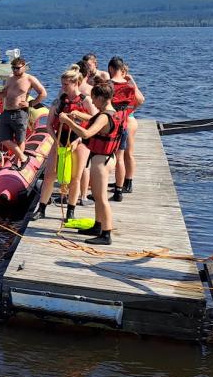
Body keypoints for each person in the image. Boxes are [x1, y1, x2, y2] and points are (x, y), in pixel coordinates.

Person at [59, 82, 129, 246]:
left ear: (100, 98)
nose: (93, 102)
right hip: (107, 157)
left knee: (101, 197)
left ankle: (106, 233)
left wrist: (67, 121)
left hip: (101, 161)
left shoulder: (104, 116)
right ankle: (98, 226)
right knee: (98, 196)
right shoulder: (112, 113)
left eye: (94, 99)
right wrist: (77, 114)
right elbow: (93, 119)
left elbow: (86, 133)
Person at [33, 64, 97, 221]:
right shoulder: (58, 102)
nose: (63, 88)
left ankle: (70, 211)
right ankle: (41, 209)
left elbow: (96, 120)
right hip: (60, 140)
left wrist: (79, 124)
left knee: (75, 177)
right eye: (62, 84)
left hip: (79, 141)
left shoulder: (85, 101)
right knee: (49, 175)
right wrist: (56, 141)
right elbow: (48, 125)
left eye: (66, 85)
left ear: (75, 83)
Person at [108, 57, 145, 202]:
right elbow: (139, 101)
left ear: (111, 68)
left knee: (125, 154)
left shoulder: (115, 84)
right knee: (123, 155)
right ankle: (122, 183)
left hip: (125, 121)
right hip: (126, 119)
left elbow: (141, 100)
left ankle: (128, 182)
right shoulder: (129, 85)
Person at [0, 57, 47, 164]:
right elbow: (3, 94)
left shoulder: (30, 79)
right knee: (4, 139)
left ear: (24, 67)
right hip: (6, 111)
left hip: (20, 113)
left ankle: (17, 162)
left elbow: (43, 93)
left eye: (17, 68)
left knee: (20, 140)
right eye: (13, 68)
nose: (15, 70)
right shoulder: (10, 78)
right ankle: (23, 157)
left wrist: (30, 104)